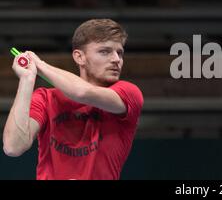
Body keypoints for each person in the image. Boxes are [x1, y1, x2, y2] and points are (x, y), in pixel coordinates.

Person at [3, 19, 144, 180]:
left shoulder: (128, 93)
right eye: (105, 51)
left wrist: (40, 65)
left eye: (119, 53)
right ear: (79, 57)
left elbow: (82, 92)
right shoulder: (45, 98)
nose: (116, 59)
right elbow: (13, 147)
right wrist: (27, 79)